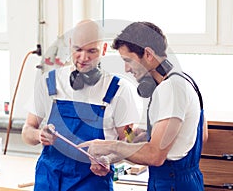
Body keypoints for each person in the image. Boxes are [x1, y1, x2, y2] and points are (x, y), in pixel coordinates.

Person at [78, 21, 208, 191]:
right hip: (185, 181)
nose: (126, 69)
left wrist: (109, 145)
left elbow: (155, 156)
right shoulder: (184, 80)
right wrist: (145, 136)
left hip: (171, 184)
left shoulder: (170, 88)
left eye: (128, 60)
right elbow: (201, 135)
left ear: (147, 54)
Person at [21, 19, 142, 191]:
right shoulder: (50, 82)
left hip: (92, 182)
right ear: (70, 45)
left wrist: (110, 159)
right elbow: (27, 131)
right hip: (49, 180)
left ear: (104, 49)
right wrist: (39, 134)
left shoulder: (119, 90)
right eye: (78, 49)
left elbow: (129, 141)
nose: (83, 58)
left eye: (92, 51)